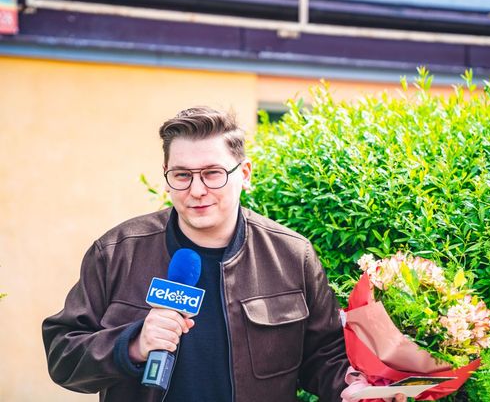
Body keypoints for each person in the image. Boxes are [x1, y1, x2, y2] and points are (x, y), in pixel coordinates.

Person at [43, 106, 405, 402]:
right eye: (182, 175)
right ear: (166, 176)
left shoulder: (293, 256)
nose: (197, 190)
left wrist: (352, 387)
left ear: (244, 173)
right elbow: (63, 355)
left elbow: (323, 356)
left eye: (213, 173)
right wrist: (133, 345)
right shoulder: (116, 252)